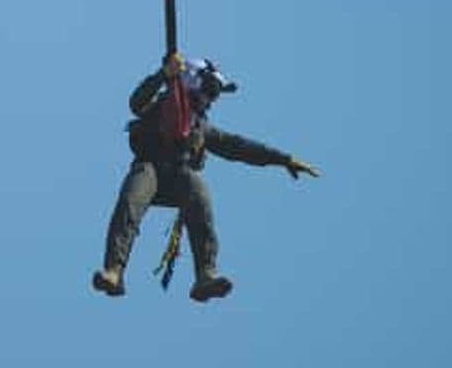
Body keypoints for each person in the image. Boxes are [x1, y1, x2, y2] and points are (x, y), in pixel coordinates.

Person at [92, 53, 319, 302]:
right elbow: (137, 102)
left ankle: (205, 275)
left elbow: (239, 147)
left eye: (215, 94)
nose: (212, 100)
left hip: (179, 177)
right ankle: (114, 270)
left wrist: (283, 159)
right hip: (150, 168)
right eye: (210, 90)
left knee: (199, 194)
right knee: (131, 200)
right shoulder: (162, 104)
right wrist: (162, 75)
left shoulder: (200, 127)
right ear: (192, 81)